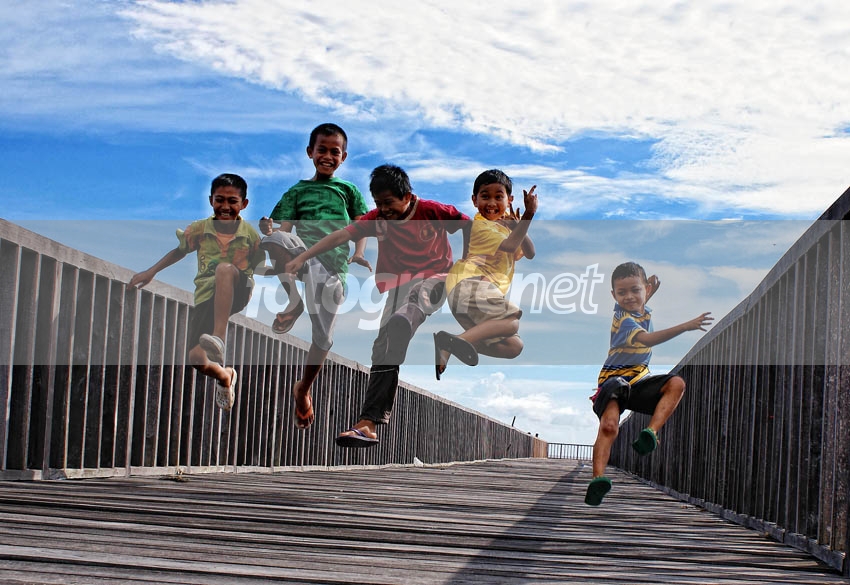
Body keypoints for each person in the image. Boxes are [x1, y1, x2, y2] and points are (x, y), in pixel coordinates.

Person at [284, 164, 470, 448]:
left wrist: (467, 261)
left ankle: (405, 319)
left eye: (388, 203)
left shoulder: (431, 210)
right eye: (378, 204)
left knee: (417, 298)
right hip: (398, 288)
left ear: (407, 196)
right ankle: (368, 424)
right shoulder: (377, 218)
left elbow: (467, 224)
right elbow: (341, 235)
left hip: (436, 279)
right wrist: (304, 256)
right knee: (382, 350)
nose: (383, 210)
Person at [258, 123, 369, 430]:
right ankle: (294, 302)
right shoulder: (297, 191)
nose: (328, 156)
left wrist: (359, 252)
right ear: (310, 152)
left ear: (343, 157)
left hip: (333, 268)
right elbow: (284, 231)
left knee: (323, 338)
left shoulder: (348, 190)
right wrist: (271, 231)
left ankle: (303, 388)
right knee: (273, 240)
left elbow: (362, 226)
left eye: (335, 152)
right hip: (302, 255)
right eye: (322, 150)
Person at [128, 173, 264, 411]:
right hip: (207, 296)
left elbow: (262, 266)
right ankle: (225, 376)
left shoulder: (250, 235)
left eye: (232, 201)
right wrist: (151, 272)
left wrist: (271, 240)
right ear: (211, 200)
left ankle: (219, 337)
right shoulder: (201, 229)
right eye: (220, 200)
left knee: (224, 269)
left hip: (239, 289)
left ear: (244, 204)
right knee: (196, 358)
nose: (225, 206)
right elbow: (179, 251)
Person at [585, 261, 713, 506]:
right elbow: (648, 339)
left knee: (676, 384)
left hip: (636, 384)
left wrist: (651, 286)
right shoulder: (623, 319)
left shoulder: (640, 309)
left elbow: (642, 294)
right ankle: (597, 479)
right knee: (609, 426)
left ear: (645, 291)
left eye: (635, 290)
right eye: (622, 293)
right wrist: (686, 326)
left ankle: (650, 432)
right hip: (613, 382)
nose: (629, 297)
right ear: (614, 296)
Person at [435, 169, 537, 380]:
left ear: (509, 200)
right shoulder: (481, 226)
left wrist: (517, 226)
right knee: (511, 321)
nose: (491, 202)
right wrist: (528, 215)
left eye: (498, 197)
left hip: (470, 295)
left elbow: (530, 253)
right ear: (474, 200)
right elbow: (510, 246)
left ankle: (454, 342)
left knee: (513, 346)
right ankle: (451, 342)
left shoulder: (506, 228)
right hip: (469, 285)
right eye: (485, 196)